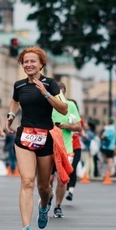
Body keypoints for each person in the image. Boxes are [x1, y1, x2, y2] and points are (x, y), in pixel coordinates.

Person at [5, 47, 68, 230]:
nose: (29, 65)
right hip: (24, 136)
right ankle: (26, 228)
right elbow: (15, 101)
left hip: (45, 138)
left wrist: (46, 94)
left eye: (33, 61)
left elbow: (64, 109)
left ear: (41, 64)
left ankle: (44, 207)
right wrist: (11, 115)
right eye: (25, 62)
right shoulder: (19, 85)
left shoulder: (51, 84)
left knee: (43, 186)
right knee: (26, 181)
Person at [50, 82, 81, 216]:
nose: (59, 97)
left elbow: (79, 127)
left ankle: (57, 205)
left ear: (65, 93)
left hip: (66, 148)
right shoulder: (47, 104)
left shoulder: (71, 106)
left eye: (61, 94)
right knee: (47, 181)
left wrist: (66, 125)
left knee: (62, 179)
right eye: (56, 94)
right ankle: (48, 195)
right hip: (48, 147)